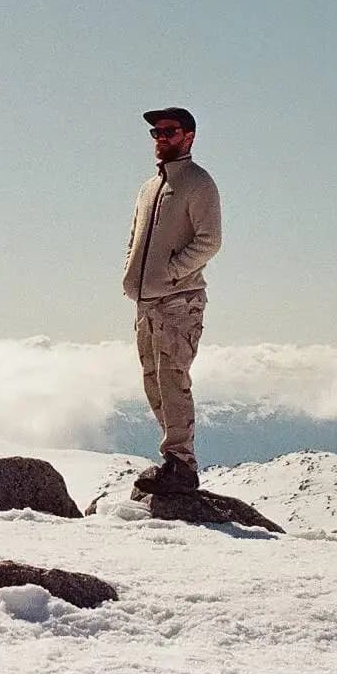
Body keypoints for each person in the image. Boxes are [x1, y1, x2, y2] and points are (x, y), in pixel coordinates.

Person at [121, 107, 222, 494]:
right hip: (146, 303)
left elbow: (210, 239)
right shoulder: (150, 187)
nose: (160, 137)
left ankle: (182, 464)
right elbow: (135, 236)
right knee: (153, 379)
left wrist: (171, 272)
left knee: (172, 377)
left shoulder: (199, 184)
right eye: (155, 132)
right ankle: (172, 461)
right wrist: (132, 275)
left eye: (169, 131)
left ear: (189, 136)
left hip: (179, 301)